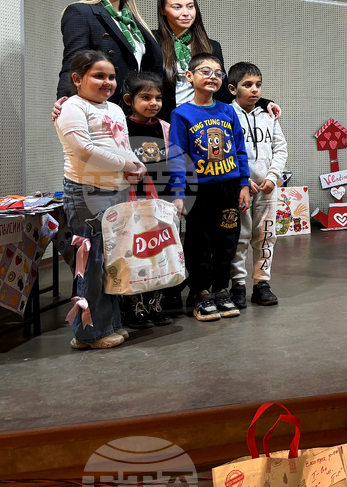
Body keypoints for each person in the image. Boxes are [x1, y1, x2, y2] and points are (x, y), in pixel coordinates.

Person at [55, 51, 146, 349]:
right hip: (87, 192)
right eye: (98, 76)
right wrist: (126, 164)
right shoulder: (72, 107)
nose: (107, 82)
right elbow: (83, 150)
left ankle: (109, 324)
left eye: (111, 77)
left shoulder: (115, 109)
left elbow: (122, 145)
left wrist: (137, 165)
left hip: (116, 191)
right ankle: (88, 334)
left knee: (111, 261)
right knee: (91, 262)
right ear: (77, 79)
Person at [167, 53, 250, 320]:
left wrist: (244, 184)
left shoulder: (228, 111)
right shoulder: (181, 114)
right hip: (198, 191)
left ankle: (220, 289)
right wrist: (178, 193)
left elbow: (239, 150)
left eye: (218, 73)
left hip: (228, 188)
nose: (212, 76)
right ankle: (201, 292)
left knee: (227, 241)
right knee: (199, 243)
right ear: (189, 76)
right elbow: (177, 155)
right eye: (205, 71)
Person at [56, 0, 162, 110]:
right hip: (102, 109)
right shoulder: (81, 12)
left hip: (137, 113)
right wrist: (66, 105)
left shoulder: (134, 23)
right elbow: (73, 66)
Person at [153, 0, 281, 119]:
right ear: (162, 10)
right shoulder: (152, 41)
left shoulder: (211, 46)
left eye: (190, 6)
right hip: (162, 120)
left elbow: (222, 93)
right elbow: (144, 86)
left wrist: (262, 103)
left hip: (202, 121)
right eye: (177, 7)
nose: (186, 13)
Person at [228, 63, 287, 306]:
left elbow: (280, 148)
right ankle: (238, 284)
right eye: (247, 85)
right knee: (240, 237)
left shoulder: (268, 115)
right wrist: (243, 180)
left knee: (265, 236)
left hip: (267, 189)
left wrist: (272, 176)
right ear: (232, 89)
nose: (254, 90)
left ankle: (261, 282)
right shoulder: (227, 114)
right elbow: (227, 152)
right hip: (241, 188)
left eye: (258, 85)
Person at [120, 70, 174, 328]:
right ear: (129, 100)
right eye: (146, 97)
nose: (153, 103)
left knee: (158, 252)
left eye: (158, 98)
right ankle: (134, 305)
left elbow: (175, 164)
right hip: (131, 202)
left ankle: (155, 302)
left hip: (160, 202)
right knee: (133, 252)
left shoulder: (165, 128)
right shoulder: (121, 128)